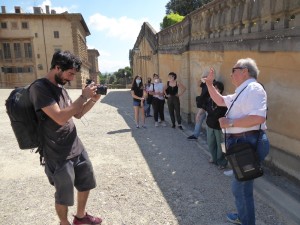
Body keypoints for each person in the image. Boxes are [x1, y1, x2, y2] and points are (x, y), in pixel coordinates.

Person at [29, 51, 102, 225]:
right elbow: (60, 117)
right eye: (69, 74)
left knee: (86, 182)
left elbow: (77, 114)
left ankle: (81, 217)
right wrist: (83, 95)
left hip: (75, 145)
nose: (70, 78)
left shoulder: (61, 87)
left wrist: (92, 100)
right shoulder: (40, 88)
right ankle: (64, 222)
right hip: (57, 152)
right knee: (64, 194)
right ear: (57, 67)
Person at [205, 58, 269, 225]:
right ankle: (244, 217)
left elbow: (258, 117)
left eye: (233, 70)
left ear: (244, 71)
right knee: (242, 187)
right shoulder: (243, 91)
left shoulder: (253, 88)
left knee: (240, 188)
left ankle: (246, 220)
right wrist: (210, 84)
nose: (231, 74)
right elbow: (220, 100)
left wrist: (230, 123)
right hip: (243, 145)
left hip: (247, 144)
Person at [203, 81, 228, 169]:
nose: (214, 90)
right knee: (211, 143)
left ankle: (222, 162)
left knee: (222, 145)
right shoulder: (210, 99)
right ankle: (214, 158)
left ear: (220, 90)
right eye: (213, 88)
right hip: (210, 125)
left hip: (219, 127)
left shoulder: (223, 101)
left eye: (216, 88)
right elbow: (206, 109)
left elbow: (226, 115)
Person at [187, 74, 210, 140]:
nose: (203, 78)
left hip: (208, 107)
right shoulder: (205, 84)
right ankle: (195, 135)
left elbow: (206, 99)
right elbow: (198, 84)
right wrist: (201, 79)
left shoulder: (211, 85)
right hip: (203, 106)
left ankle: (210, 139)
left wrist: (200, 110)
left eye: (204, 77)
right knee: (198, 120)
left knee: (208, 124)